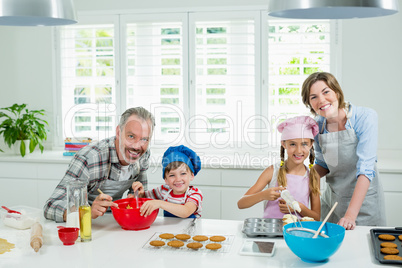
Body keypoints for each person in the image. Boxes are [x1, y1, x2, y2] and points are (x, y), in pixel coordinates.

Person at [301, 72, 386, 230]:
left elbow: (365, 169)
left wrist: (350, 215)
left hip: (363, 205)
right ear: (309, 104)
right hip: (333, 202)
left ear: (337, 93)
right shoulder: (317, 127)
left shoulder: (364, 118)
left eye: (326, 92)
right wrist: (301, 178)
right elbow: (323, 164)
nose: (321, 100)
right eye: (313, 97)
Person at [43, 107, 155, 222]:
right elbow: (50, 206)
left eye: (144, 139)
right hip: (85, 224)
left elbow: (138, 196)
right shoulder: (88, 158)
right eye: (131, 136)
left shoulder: (143, 154)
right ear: (118, 132)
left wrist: (136, 197)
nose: (137, 146)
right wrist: (87, 212)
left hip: (115, 222)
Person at [237, 116, 321, 221]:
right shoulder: (272, 171)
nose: (299, 151)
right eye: (293, 144)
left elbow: (317, 218)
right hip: (269, 231)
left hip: (297, 233)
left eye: (304, 144)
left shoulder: (313, 176)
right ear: (283, 144)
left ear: (311, 144)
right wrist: (263, 195)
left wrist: (299, 207)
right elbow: (241, 204)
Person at [132, 145, 203, 218]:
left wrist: (160, 203)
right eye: (172, 175)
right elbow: (144, 199)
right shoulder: (164, 190)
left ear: (191, 175)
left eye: (183, 173)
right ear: (166, 179)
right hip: (169, 228)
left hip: (191, 229)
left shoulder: (194, 193)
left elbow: (186, 211)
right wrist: (139, 193)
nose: (178, 179)